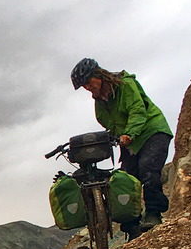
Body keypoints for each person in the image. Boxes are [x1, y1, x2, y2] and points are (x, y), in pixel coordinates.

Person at [70, 57, 173, 237]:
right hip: (129, 138)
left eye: (88, 82)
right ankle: (132, 226)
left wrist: (129, 133)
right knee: (125, 179)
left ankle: (153, 214)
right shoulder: (100, 100)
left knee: (147, 167)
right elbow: (105, 120)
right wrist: (115, 136)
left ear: (98, 75)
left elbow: (137, 110)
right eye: (84, 86)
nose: (88, 87)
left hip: (152, 130)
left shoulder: (126, 85)